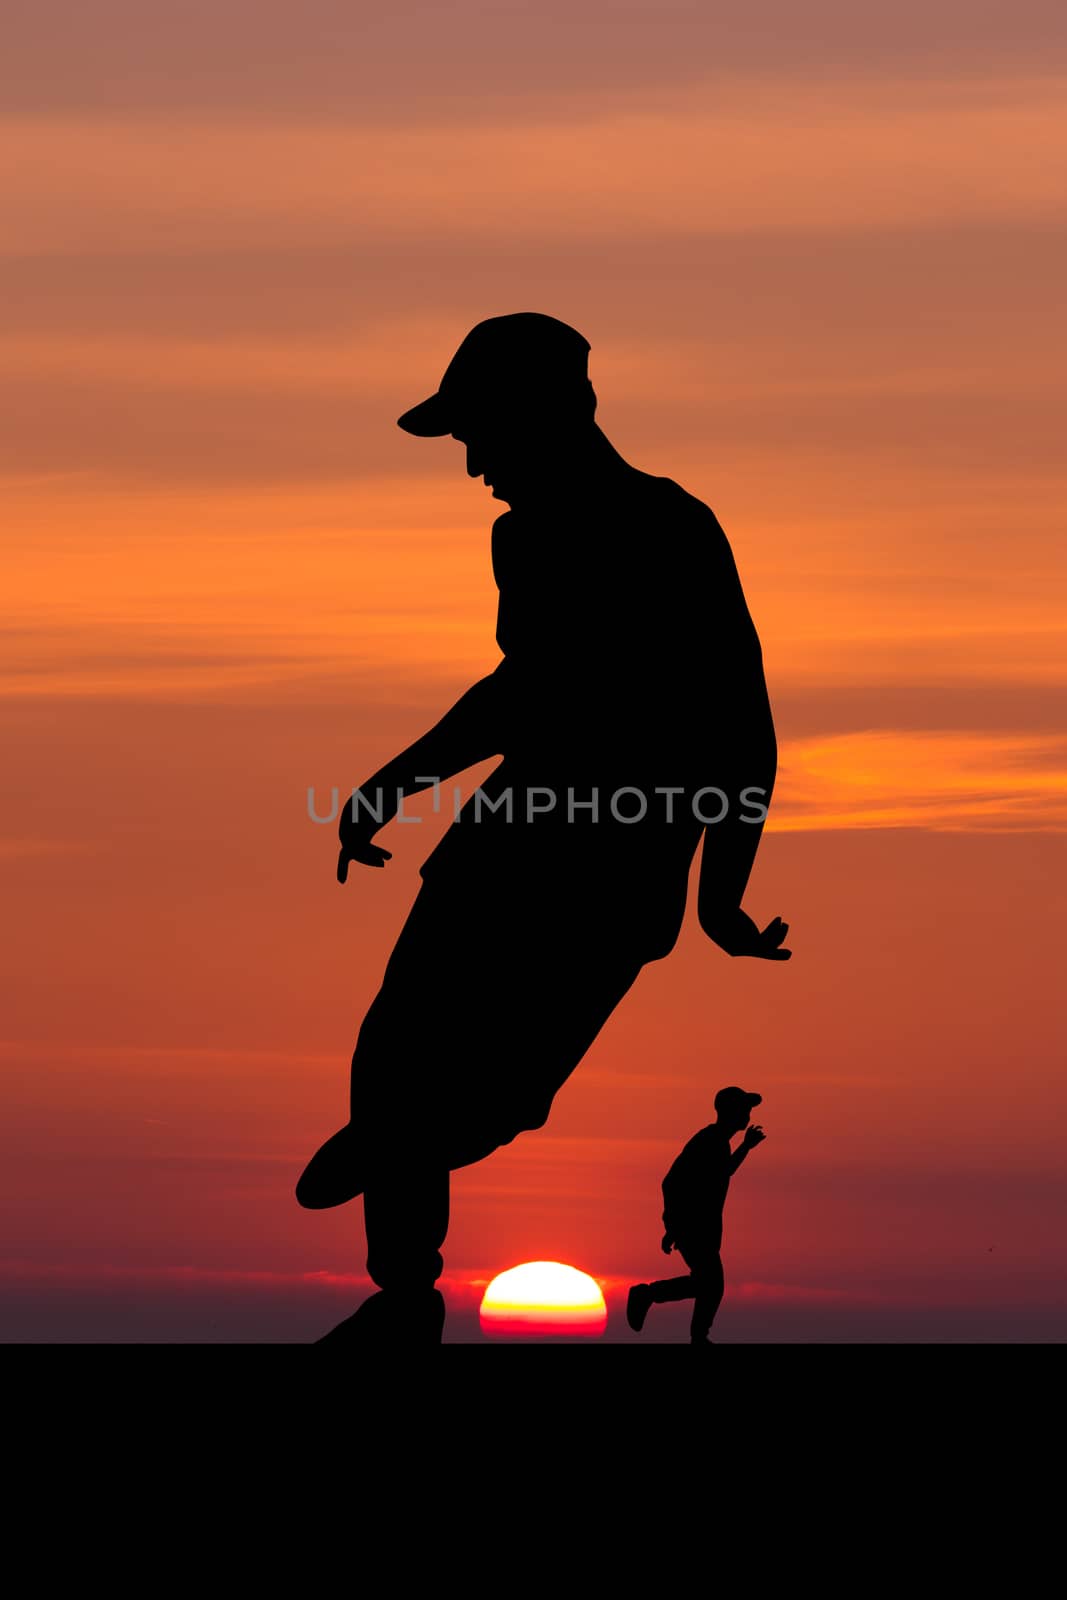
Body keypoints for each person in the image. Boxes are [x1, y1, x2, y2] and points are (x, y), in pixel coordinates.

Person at [295, 313, 791, 1344]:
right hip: (500, 844)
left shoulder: (670, 529)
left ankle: (404, 1138)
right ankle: (401, 1290)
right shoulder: (517, 538)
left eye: (479, 433)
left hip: (613, 872)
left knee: (497, 1096)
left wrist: (721, 891)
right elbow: (518, 694)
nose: (471, 463)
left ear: (545, 415)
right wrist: (397, 780)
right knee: (392, 1045)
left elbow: (738, 719)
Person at [627, 1086, 766, 1344]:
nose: (747, 1114)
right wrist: (675, 1224)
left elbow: (718, 1174)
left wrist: (673, 1225)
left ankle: (652, 1299)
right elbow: (673, 1182)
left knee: (706, 1282)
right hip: (694, 1226)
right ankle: (689, 1329)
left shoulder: (718, 1142)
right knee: (712, 1283)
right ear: (730, 1111)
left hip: (700, 1227)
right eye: (744, 1108)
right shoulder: (710, 1140)